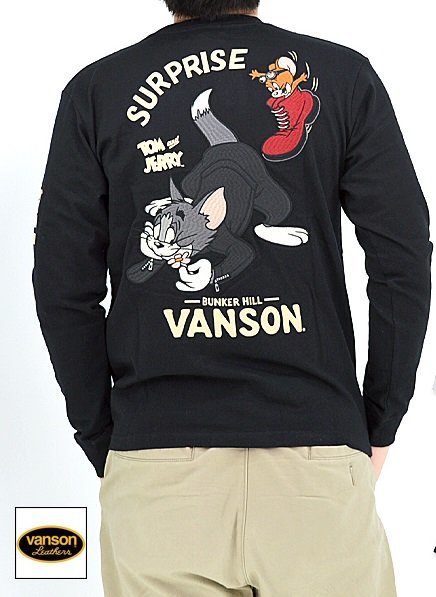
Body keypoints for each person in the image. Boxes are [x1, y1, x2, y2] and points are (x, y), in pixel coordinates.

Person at [32, 0, 432, 595]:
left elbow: (62, 285)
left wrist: (106, 439)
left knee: (260, 202)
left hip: (159, 470)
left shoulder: (99, 90)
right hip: (316, 463)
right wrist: (376, 424)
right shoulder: (342, 75)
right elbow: (404, 257)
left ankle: (264, 223)